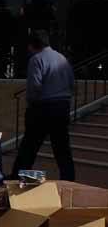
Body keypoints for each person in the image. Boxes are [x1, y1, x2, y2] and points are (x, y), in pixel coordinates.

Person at [11, 30, 75, 181]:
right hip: (62, 106)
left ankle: (17, 176)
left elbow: (34, 86)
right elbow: (72, 83)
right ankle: (68, 178)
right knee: (62, 147)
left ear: (33, 45)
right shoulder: (62, 58)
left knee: (29, 146)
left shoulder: (36, 59)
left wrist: (31, 103)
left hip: (42, 107)